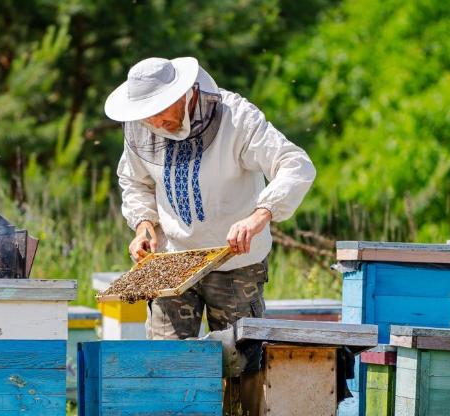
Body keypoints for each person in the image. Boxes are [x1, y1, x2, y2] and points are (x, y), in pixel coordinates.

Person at [105, 57, 316, 340]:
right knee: (168, 363)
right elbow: (134, 180)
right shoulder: (143, 128)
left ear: (184, 93)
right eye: (146, 116)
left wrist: (260, 214)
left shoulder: (237, 117)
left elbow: (295, 164)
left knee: (241, 366)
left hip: (235, 262)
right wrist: (144, 224)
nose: (155, 123)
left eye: (159, 111)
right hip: (171, 262)